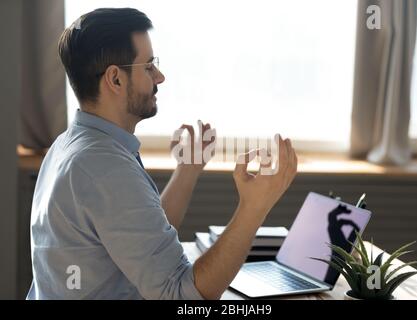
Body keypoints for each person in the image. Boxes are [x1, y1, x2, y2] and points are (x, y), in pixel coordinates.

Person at [27, 8, 298, 300]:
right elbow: (181, 296)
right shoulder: (103, 167)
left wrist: (188, 169)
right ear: (115, 79)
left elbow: (143, 237)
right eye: (148, 66)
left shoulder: (71, 145)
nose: (160, 76)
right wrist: (253, 208)